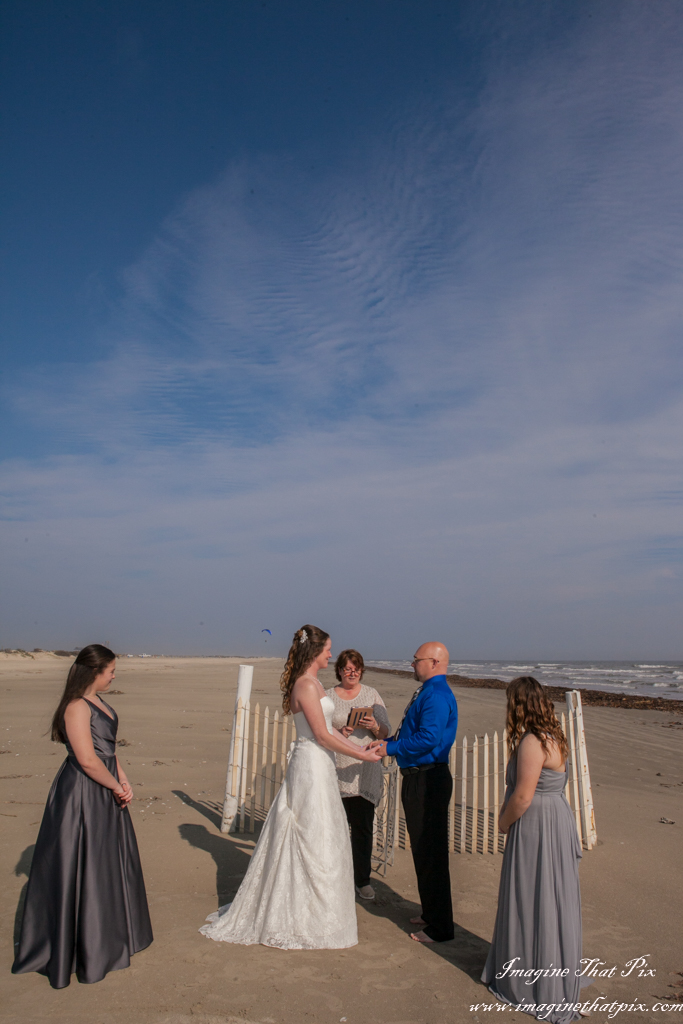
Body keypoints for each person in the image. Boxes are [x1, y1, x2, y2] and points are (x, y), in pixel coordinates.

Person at [200, 624, 382, 950]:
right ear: (315, 651)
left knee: (322, 835)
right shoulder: (307, 686)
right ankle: (302, 915)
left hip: (320, 763)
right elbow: (322, 735)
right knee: (312, 834)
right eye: (327, 649)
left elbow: (330, 729)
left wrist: (362, 748)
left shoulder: (313, 684)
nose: (331, 654)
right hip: (310, 764)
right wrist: (359, 753)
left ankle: (319, 911)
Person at [12, 645, 153, 989]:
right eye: (111, 671)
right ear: (94, 672)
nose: (114, 675)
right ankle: (82, 949)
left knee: (105, 863)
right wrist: (115, 787)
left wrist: (122, 778)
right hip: (81, 793)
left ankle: (108, 938)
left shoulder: (100, 703)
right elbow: (87, 760)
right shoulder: (76, 707)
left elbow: (109, 752)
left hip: (104, 787)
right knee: (82, 862)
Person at [481, 677, 592, 1023]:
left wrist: (502, 823)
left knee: (533, 895)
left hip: (538, 824)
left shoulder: (532, 741)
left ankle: (532, 977)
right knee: (551, 895)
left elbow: (524, 796)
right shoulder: (554, 735)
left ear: (518, 704)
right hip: (556, 818)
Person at [371, 641, 457, 943]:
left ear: (433, 662)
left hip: (428, 778)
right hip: (418, 777)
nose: (412, 664)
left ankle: (441, 927)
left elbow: (429, 738)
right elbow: (411, 731)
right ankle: (431, 912)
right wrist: (387, 741)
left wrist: (390, 748)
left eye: (416, 660)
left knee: (431, 852)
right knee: (422, 849)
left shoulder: (435, 694)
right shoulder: (428, 691)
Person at [326, 648, 391, 901]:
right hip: (338, 768)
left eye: (356, 669)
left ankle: (362, 880)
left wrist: (374, 725)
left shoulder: (372, 695)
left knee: (363, 828)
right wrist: (340, 732)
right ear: (339, 670)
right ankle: (337, 877)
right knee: (336, 827)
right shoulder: (329, 696)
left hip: (365, 770)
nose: (351, 673)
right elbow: (321, 730)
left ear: (361, 670)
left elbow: (385, 733)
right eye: (347, 669)